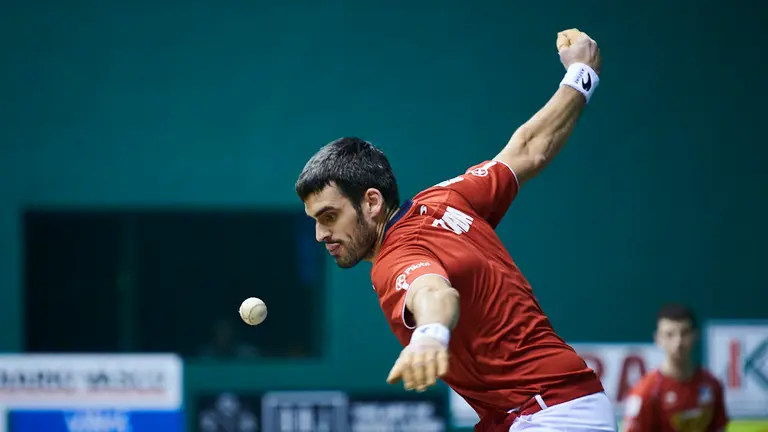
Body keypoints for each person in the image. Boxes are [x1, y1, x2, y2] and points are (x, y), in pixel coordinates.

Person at [296, 28, 614, 431]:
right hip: (544, 409)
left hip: (550, 414)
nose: (320, 235)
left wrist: (429, 334)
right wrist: (582, 74)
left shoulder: (394, 259)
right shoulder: (449, 198)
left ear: (371, 202)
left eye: (329, 216)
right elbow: (529, 149)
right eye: (315, 221)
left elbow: (433, 291)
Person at [622, 304, 728, 432]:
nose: (678, 342)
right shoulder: (646, 392)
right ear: (658, 339)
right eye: (670, 334)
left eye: (684, 333)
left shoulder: (712, 384)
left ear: (696, 335)